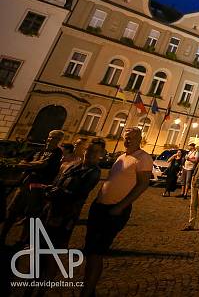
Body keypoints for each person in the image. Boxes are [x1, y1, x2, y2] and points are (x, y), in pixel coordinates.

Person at [81, 127, 153, 297]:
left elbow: (143, 184)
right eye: (127, 137)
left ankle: (87, 291)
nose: (129, 140)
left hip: (115, 210)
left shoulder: (143, 158)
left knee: (97, 252)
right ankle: (89, 289)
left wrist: (120, 207)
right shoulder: (122, 156)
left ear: (140, 139)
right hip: (100, 207)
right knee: (91, 251)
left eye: (133, 137)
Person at [33, 140, 104, 294]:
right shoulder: (73, 165)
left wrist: (53, 192)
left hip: (64, 217)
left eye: (95, 152)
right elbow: (58, 181)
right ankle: (33, 283)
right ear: (84, 150)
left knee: (53, 253)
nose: (91, 154)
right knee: (41, 249)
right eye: (89, 150)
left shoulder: (93, 172)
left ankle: (42, 289)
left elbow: (78, 194)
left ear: (100, 155)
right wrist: (49, 190)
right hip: (49, 211)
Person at [1, 129, 65, 244]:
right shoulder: (38, 150)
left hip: (39, 186)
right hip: (25, 183)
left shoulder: (57, 153)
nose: (51, 139)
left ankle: (22, 240)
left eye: (55, 138)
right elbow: (23, 162)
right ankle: (2, 236)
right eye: (50, 136)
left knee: (32, 214)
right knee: (13, 210)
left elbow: (43, 164)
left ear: (60, 141)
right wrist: (30, 165)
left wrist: (28, 165)